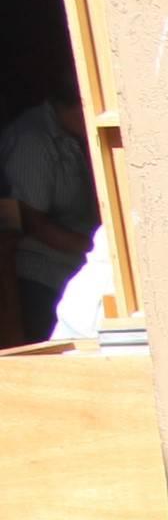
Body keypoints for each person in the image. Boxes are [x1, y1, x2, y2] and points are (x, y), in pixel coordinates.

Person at [3, 96, 98, 341]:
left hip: (68, 270)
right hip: (41, 277)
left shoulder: (68, 136)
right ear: (80, 108)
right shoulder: (32, 141)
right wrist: (96, 249)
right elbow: (28, 217)